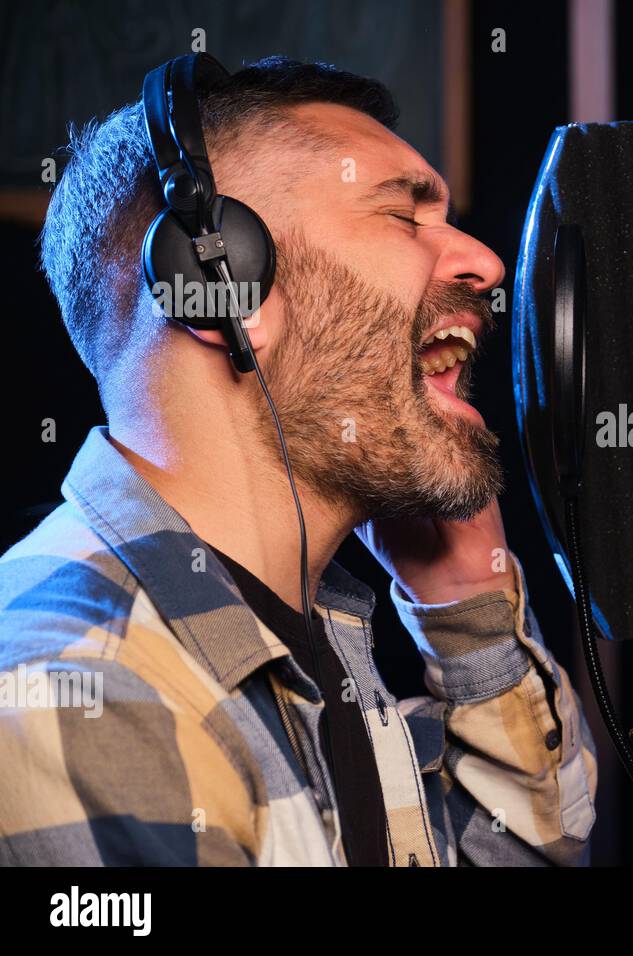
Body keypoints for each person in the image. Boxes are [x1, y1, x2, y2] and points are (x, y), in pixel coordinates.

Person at [0, 55, 597, 866]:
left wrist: (468, 609)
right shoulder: (88, 694)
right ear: (222, 279)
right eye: (403, 216)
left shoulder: (317, 646)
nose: (484, 263)